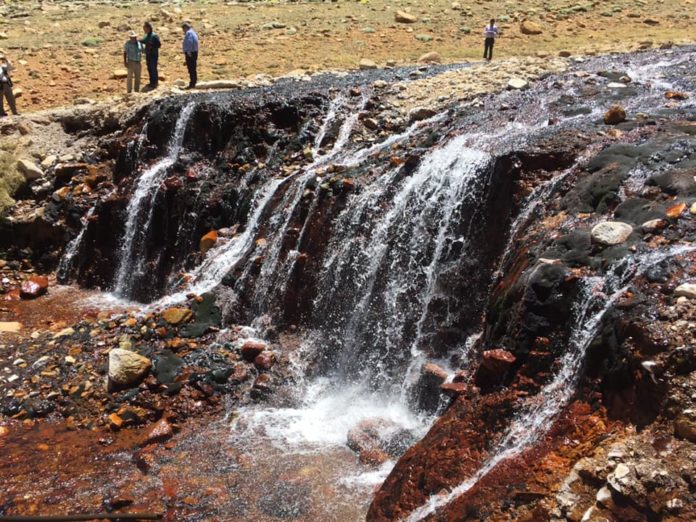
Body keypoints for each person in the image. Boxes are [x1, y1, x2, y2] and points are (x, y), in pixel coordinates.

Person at [140, 22, 161, 91]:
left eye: (144, 28)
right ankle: (151, 81)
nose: (144, 30)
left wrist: (151, 45)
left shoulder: (154, 36)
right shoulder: (147, 35)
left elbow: (159, 44)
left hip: (153, 54)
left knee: (153, 68)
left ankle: (155, 82)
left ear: (148, 28)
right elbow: (143, 41)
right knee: (149, 68)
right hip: (148, 54)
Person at [181, 22, 199, 89]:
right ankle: (193, 82)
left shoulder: (189, 33)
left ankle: (192, 83)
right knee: (193, 68)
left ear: (185, 28)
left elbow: (189, 42)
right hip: (194, 52)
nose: (183, 31)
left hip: (190, 52)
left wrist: (188, 52)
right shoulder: (193, 32)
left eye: (183, 29)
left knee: (191, 68)